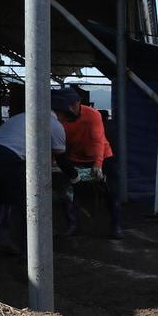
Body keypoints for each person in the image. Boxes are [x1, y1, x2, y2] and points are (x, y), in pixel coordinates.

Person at [0, 101, 68, 254]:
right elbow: (61, 157)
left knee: (5, 200)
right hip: (7, 159)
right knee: (27, 202)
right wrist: (74, 176)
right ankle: (30, 250)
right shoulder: (54, 124)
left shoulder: (22, 117)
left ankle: (1, 238)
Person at [51, 88, 124, 239]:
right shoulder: (58, 118)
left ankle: (116, 225)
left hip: (101, 155)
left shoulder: (92, 115)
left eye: (71, 105)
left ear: (78, 103)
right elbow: (55, 141)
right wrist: (55, 162)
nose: (68, 110)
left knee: (111, 190)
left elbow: (98, 140)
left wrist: (98, 165)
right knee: (66, 192)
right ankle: (73, 224)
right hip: (73, 156)